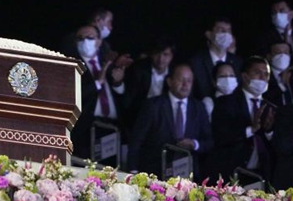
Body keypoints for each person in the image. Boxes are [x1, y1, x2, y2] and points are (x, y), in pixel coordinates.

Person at [128, 64, 213, 179]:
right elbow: (136, 140)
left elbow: (208, 141)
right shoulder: (153, 105)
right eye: (181, 79)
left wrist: (194, 144)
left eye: (189, 81)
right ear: (169, 81)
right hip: (154, 172)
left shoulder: (199, 107)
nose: (185, 84)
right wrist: (133, 171)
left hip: (186, 176)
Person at [207, 57, 275, 182]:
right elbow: (220, 137)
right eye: (257, 72)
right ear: (244, 76)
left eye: (266, 74)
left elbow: (278, 144)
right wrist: (251, 129)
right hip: (233, 174)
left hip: (261, 175)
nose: (263, 77)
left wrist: (269, 131)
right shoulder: (225, 103)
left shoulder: (271, 108)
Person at [67, 24, 126, 159]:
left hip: (112, 128)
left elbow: (123, 98)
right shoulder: (72, 66)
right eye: (80, 39)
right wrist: (97, 83)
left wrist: (118, 83)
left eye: (89, 38)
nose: (84, 42)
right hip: (87, 129)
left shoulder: (108, 63)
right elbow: (75, 95)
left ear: (99, 41)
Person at [189, 16, 243, 101]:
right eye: (221, 30)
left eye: (228, 31)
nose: (226, 34)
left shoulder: (238, 62)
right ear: (209, 34)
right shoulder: (196, 62)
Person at [265, 41, 293, 107]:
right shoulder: (264, 75)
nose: (282, 56)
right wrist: (281, 84)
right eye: (278, 52)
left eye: (286, 52)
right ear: (269, 56)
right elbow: (267, 98)